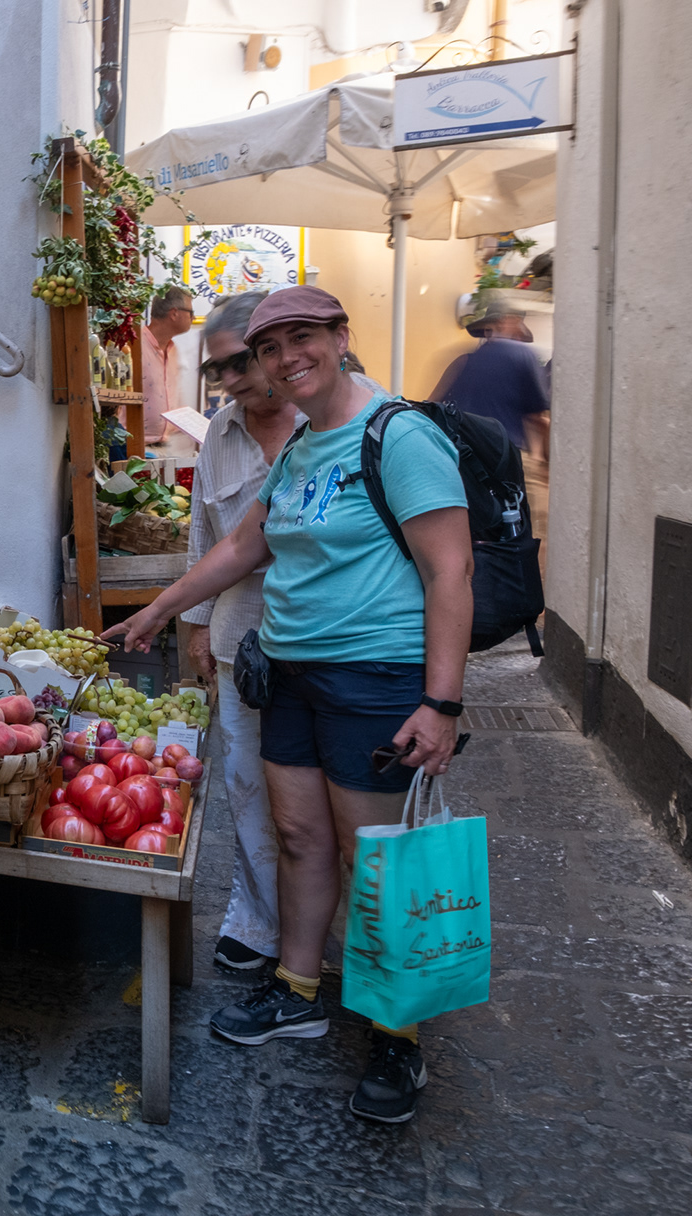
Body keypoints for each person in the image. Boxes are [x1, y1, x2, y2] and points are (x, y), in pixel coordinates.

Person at [105, 285, 473, 1126]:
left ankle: (396, 1037)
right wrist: (163, 610)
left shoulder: (400, 435)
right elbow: (245, 544)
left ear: (342, 338)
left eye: (302, 338)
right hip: (292, 676)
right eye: (272, 348)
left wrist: (441, 702)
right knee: (300, 836)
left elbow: (451, 571)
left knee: (372, 857)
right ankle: (297, 988)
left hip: (374, 679)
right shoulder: (306, 443)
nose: (285, 359)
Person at [180, 291, 299, 975]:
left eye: (234, 364)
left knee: (317, 811)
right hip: (240, 642)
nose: (227, 382)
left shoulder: (338, 421)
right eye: (216, 371)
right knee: (247, 790)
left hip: (329, 648)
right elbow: (205, 537)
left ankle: (334, 934)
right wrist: (197, 629)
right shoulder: (220, 435)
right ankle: (257, 922)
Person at [435, 290, 550, 546]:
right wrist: (542, 460)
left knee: (470, 528)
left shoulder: (462, 360)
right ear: (507, 322)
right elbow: (536, 416)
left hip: (461, 458)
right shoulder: (524, 355)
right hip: (506, 458)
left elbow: (430, 406)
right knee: (517, 531)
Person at [141, 285, 193, 446]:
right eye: (191, 312)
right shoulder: (134, 345)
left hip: (164, 447)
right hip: (133, 447)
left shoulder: (173, 350)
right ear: (174, 313)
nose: (193, 317)